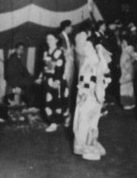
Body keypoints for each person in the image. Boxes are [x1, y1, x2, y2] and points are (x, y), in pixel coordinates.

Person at [73, 31, 111, 161]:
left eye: (88, 46)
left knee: (87, 121)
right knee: (87, 121)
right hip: (87, 95)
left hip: (91, 97)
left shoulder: (97, 61)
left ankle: (87, 145)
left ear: (95, 47)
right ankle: (85, 145)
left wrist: (88, 93)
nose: (85, 48)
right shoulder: (88, 60)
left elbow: (104, 79)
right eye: (85, 46)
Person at [40, 33, 69, 133]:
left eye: (51, 39)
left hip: (57, 79)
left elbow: (59, 68)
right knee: (48, 101)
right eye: (47, 39)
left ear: (56, 40)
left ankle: (56, 122)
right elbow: (44, 67)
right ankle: (54, 121)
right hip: (47, 79)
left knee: (57, 102)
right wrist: (40, 77)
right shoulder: (46, 52)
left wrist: (57, 80)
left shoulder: (59, 52)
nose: (49, 41)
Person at [5, 42, 37, 107]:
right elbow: (21, 70)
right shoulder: (14, 58)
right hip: (14, 79)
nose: (21, 50)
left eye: (22, 49)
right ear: (16, 49)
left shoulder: (15, 57)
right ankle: (30, 105)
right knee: (31, 83)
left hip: (15, 78)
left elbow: (22, 70)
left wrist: (28, 74)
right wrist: (29, 76)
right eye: (19, 49)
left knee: (30, 81)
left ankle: (23, 102)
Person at [58, 20, 75, 126]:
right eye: (70, 27)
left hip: (69, 65)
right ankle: (64, 112)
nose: (72, 28)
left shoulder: (68, 37)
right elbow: (61, 51)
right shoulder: (60, 37)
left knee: (69, 88)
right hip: (64, 67)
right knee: (65, 88)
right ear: (66, 27)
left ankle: (67, 111)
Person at [119, 37, 137, 110]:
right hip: (126, 71)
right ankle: (128, 102)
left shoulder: (129, 49)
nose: (122, 44)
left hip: (127, 71)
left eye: (124, 42)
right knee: (127, 88)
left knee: (127, 88)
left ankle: (128, 103)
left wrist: (129, 62)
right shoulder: (126, 49)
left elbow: (135, 58)